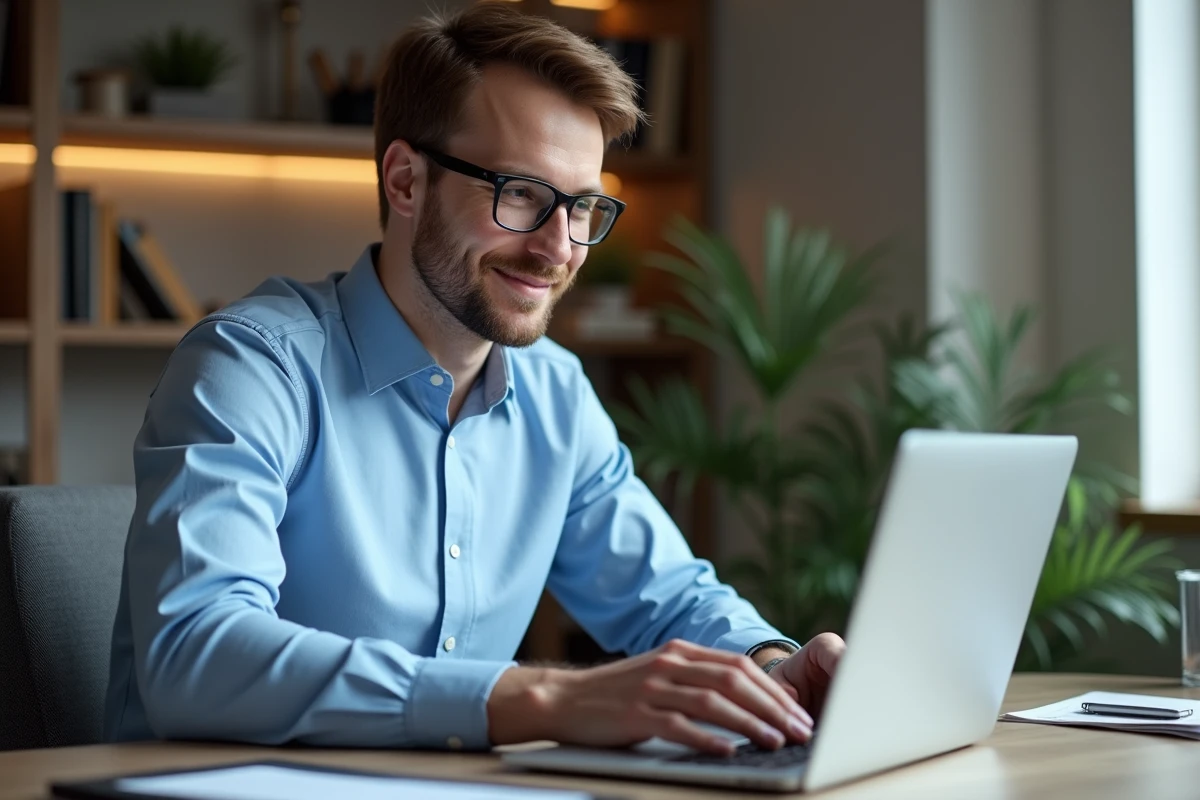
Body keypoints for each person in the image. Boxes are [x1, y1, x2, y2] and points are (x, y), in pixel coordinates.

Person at [104, 2, 845, 756]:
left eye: (583, 205)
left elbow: (667, 596)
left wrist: (772, 667)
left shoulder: (555, 395)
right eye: (520, 193)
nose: (559, 248)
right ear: (404, 181)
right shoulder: (251, 366)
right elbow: (194, 654)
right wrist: (543, 697)